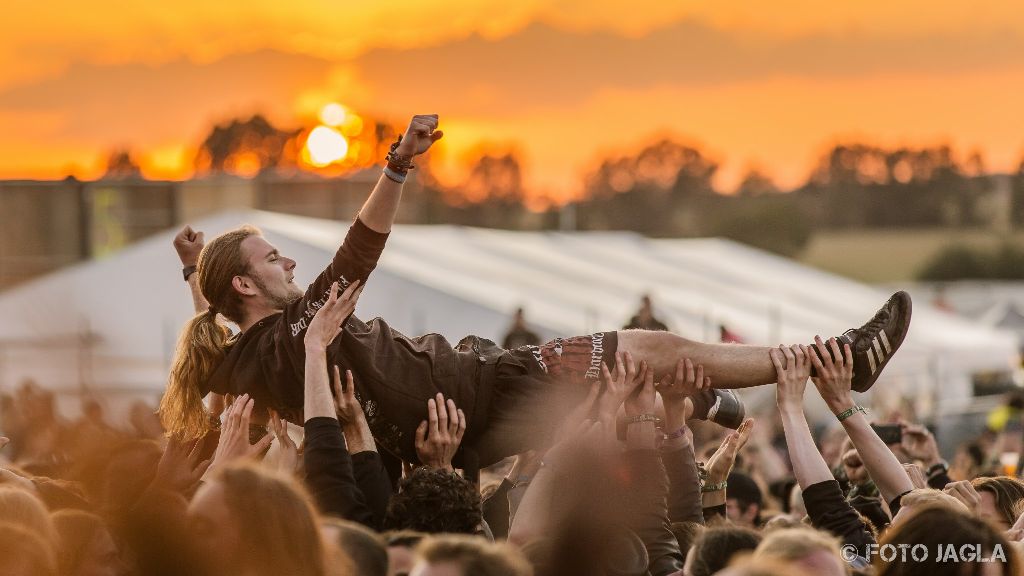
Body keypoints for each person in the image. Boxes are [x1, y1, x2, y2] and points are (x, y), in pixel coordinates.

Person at [162, 113, 913, 470]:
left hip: (479, 408)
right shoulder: (295, 334)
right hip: (489, 390)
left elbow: (225, 349)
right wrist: (396, 165)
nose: (289, 262)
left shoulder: (266, 342)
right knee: (644, 351)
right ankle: (834, 357)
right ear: (245, 284)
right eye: (271, 258)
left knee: (636, 373)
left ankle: (716, 397)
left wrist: (198, 285)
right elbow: (359, 252)